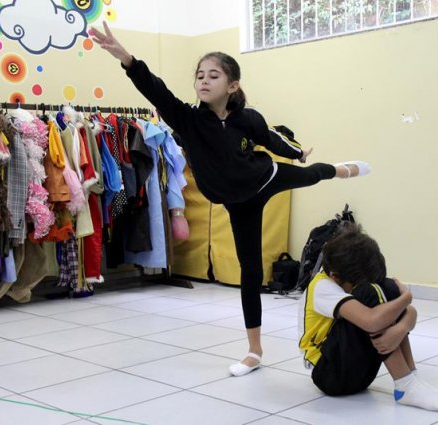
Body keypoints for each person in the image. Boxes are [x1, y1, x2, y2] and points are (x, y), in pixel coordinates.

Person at [90, 21, 371, 377]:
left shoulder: (247, 119)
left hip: (264, 178)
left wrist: (297, 154)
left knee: (313, 174)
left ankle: (341, 169)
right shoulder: (188, 120)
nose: (203, 81)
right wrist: (125, 57)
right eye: (199, 76)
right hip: (237, 203)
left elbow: (269, 139)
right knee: (250, 272)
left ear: (232, 85)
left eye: (213, 75)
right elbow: (154, 89)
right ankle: (254, 350)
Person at [299, 223, 438, 412]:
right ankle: (405, 384)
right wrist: (406, 298)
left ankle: (411, 377)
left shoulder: (341, 275)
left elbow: (410, 314)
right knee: (370, 294)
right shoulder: (322, 287)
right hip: (330, 374)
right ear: (335, 276)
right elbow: (372, 320)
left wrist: (400, 329)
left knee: (387, 287)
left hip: (360, 373)